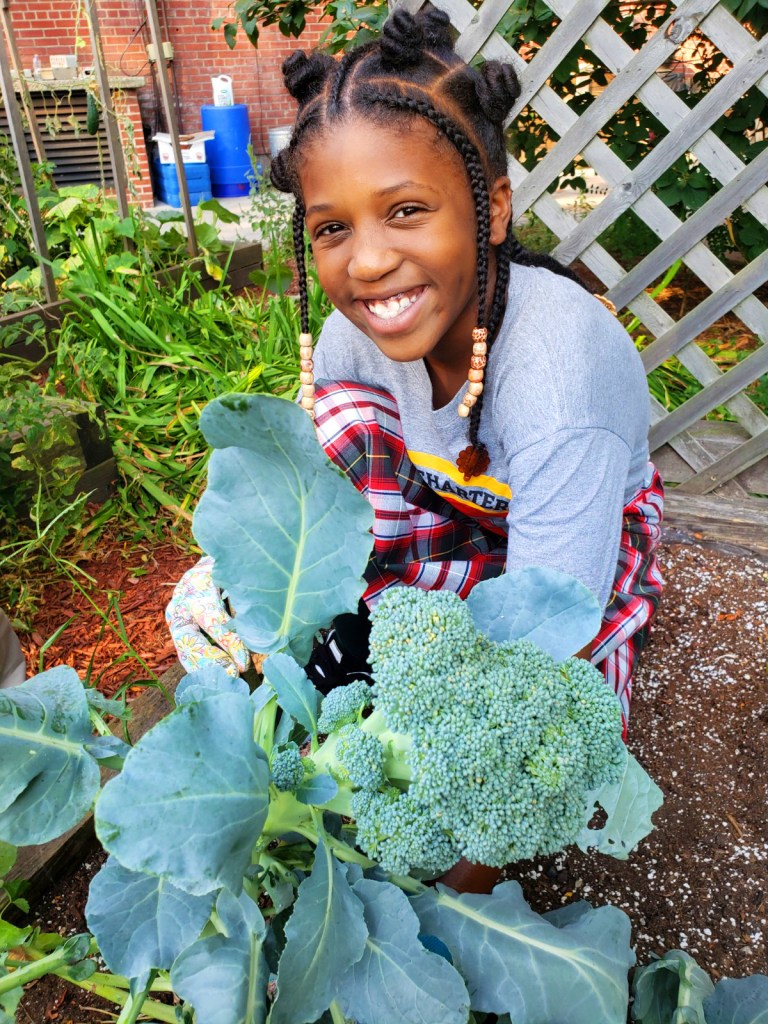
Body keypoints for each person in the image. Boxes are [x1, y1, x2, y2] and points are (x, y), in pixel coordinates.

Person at [166, 8, 663, 889]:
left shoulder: (559, 384)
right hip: (444, 508)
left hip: (570, 548)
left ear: (492, 208)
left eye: (405, 211)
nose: (367, 262)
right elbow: (315, 510)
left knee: (545, 740)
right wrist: (316, 625)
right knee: (220, 588)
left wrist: (439, 884)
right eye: (332, 228)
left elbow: (546, 638)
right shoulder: (355, 338)